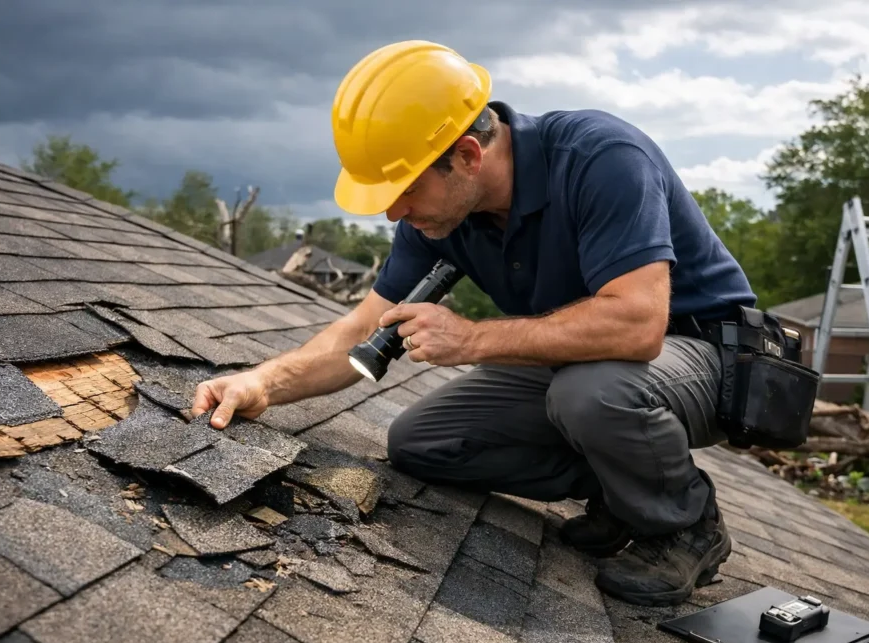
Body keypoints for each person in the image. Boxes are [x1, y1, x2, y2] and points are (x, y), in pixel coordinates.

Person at [192, 40, 759, 607]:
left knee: (592, 392)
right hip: (591, 364)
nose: (394, 213)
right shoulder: (441, 216)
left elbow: (637, 327)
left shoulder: (600, 158)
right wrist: (263, 382)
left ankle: (685, 524)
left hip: (708, 355)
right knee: (422, 443)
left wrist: (470, 339)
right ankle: (622, 493)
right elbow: (364, 327)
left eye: (406, 189)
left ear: (467, 155)